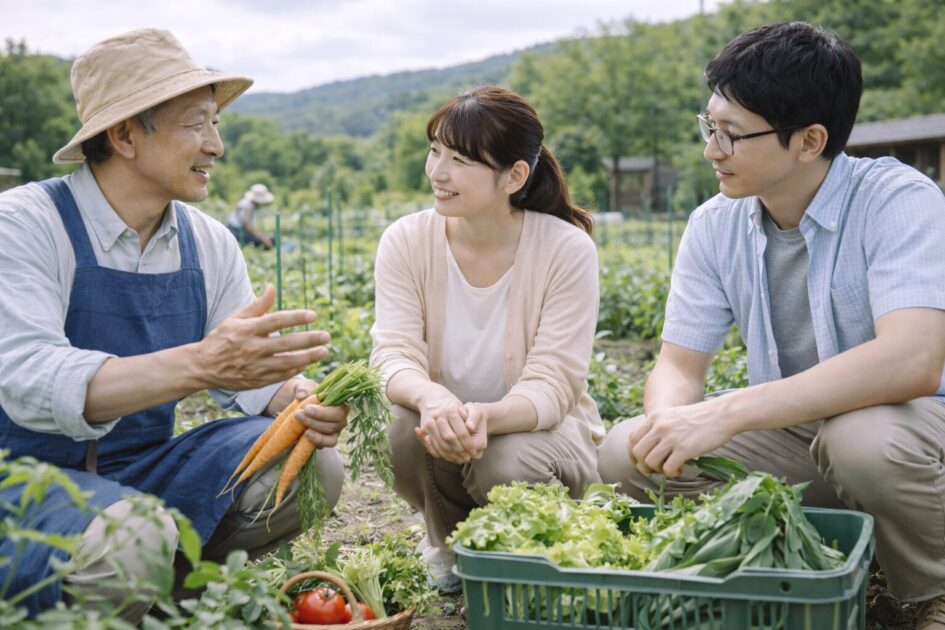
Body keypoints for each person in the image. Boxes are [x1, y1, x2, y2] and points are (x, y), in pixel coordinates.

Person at [596, 21, 945, 629]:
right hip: (801, 434)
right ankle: (810, 556)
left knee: (861, 442)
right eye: (709, 126)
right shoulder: (714, 224)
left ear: (809, 141)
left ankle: (928, 590)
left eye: (731, 135)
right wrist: (669, 423)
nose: (711, 150)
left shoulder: (898, 200)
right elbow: (679, 365)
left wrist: (728, 412)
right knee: (628, 452)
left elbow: (911, 361)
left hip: (915, 432)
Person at [0, 28, 347, 621]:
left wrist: (300, 398)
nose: (216, 145)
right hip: (23, 483)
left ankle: (155, 591)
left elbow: (248, 382)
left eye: (216, 123)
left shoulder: (206, 241)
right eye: (196, 123)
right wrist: (199, 364)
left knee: (313, 463)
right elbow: (30, 382)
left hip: (140, 472)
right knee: (133, 536)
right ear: (125, 134)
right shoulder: (26, 224)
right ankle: (103, 578)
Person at [370, 86, 604, 593]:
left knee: (505, 457)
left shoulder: (566, 248)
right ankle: (451, 545)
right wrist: (433, 399)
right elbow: (393, 353)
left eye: (460, 160)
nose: (438, 172)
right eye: (435, 151)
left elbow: (554, 385)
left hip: (543, 437)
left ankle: (526, 556)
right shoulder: (407, 241)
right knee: (397, 422)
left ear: (514, 176)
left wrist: (485, 418)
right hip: (452, 426)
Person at [227, 183, 275, 248]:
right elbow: (247, 226)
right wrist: (262, 238)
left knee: (267, 237)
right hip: (236, 233)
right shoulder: (248, 207)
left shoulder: (247, 203)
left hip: (236, 230)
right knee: (262, 241)